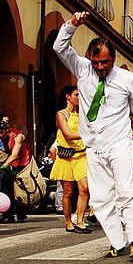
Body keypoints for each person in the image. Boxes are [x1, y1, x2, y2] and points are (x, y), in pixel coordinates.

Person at [53, 11, 133, 259]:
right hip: (93, 147)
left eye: (105, 62)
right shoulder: (83, 70)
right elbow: (60, 48)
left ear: (113, 58)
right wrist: (72, 25)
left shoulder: (127, 79)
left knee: (126, 193)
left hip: (119, 144)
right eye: (96, 63)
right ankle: (117, 241)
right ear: (89, 59)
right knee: (102, 198)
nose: (100, 67)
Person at [50, 84, 91, 233]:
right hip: (65, 157)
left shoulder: (81, 115)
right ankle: (68, 221)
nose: (79, 98)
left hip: (81, 154)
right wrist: (88, 134)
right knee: (68, 191)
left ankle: (80, 220)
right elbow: (67, 134)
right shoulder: (61, 114)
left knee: (85, 188)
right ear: (68, 97)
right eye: (76, 95)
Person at [0, 119, 32, 223]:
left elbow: (14, 155)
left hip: (23, 165)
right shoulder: (3, 138)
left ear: (7, 130)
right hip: (12, 165)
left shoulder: (17, 136)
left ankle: (21, 213)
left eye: (1, 132)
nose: (0, 135)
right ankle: (8, 214)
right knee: (7, 188)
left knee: (21, 190)